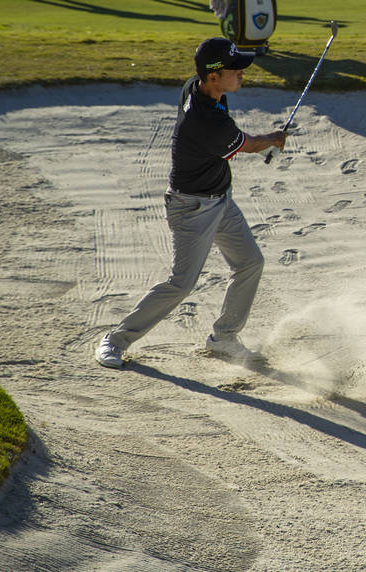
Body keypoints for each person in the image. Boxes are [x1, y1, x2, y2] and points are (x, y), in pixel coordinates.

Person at [96, 37, 286, 369]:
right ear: (213, 77)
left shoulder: (199, 88)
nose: (242, 74)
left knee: (250, 263)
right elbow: (248, 145)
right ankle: (116, 339)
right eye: (235, 70)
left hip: (221, 202)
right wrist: (272, 140)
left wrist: (264, 142)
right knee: (181, 283)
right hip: (192, 209)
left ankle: (223, 338)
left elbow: (238, 143)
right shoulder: (207, 120)